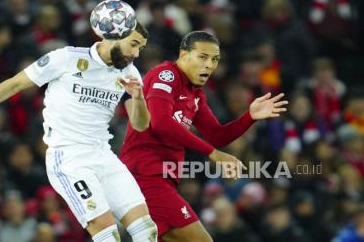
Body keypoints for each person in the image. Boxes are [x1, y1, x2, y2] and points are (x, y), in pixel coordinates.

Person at [0, 1, 158, 241]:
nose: (136, 54)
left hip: (103, 155)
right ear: (114, 35)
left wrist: (138, 98)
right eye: (134, 45)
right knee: (108, 236)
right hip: (69, 159)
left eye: (141, 48)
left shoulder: (130, 73)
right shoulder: (65, 59)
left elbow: (140, 124)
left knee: (147, 230)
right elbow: (13, 85)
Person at [120, 31, 288, 241]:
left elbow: (217, 136)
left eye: (215, 59)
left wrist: (250, 117)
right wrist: (213, 154)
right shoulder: (166, 75)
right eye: (203, 57)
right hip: (144, 175)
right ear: (183, 55)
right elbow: (160, 122)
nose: (210, 65)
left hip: (163, 178)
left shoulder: (196, 94)